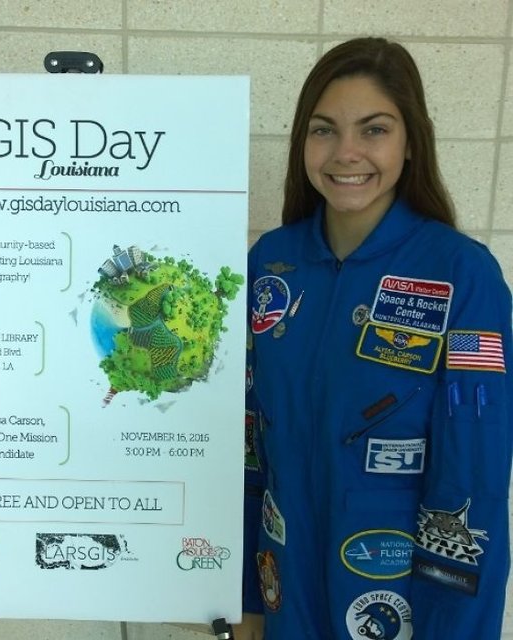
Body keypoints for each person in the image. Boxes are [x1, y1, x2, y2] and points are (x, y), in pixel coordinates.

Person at [236, 37, 513, 640]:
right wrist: (248, 599)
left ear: (411, 142)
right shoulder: (272, 264)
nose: (346, 153)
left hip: (398, 599)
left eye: (375, 129)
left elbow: (474, 482)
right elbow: (250, 439)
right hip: (286, 588)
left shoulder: (462, 274)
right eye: (324, 130)